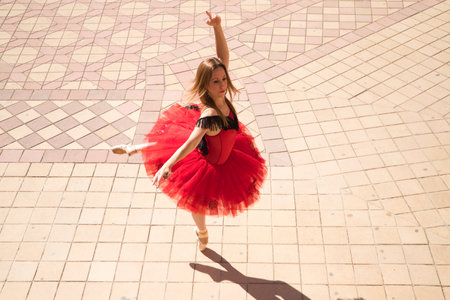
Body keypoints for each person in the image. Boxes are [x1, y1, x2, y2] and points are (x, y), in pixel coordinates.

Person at [111, 11, 267, 251]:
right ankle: (201, 231)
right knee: (197, 202)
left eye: (224, 79)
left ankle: (133, 148)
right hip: (207, 161)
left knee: (171, 139)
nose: (223, 84)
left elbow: (222, 57)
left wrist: (217, 27)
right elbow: (189, 145)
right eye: (216, 82)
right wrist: (168, 166)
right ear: (206, 84)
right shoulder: (209, 117)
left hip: (226, 154)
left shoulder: (221, 95)